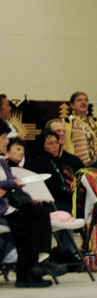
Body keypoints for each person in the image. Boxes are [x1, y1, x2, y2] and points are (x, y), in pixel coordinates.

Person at [0, 123, 66, 287]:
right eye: (3, 138)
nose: (6, 142)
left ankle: (37, 263)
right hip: (3, 211)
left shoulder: (2, 163)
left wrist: (11, 185)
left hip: (8, 207)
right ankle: (31, 268)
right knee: (28, 222)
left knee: (39, 212)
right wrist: (10, 184)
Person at [25, 128, 79, 213]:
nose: (55, 146)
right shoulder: (39, 162)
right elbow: (53, 188)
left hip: (61, 201)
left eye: (56, 142)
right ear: (42, 146)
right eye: (50, 143)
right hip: (50, 205)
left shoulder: (54, 162)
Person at [62, 91, 97, 167]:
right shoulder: (67, 122)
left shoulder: (95, 122)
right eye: (79, 100)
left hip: (95, 166)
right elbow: (65, 145)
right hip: (75, 165)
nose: (83, 102)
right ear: (72, 105)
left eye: (86, 100)